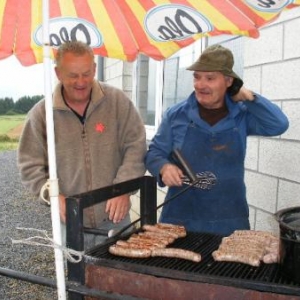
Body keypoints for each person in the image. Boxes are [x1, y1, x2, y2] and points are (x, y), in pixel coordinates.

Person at [145, 44, 289, 236]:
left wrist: (250, 97)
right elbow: (154, 152)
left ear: (228, 81)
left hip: (229, 219)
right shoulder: (176, 115)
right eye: (196, 76)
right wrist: (164, 167)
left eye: (210, 78)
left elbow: (278, 125)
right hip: (179, 218)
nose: (200, 84)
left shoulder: (242, 114)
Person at [17, 41, 146, 249]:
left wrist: (124, 188)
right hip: (71, 224)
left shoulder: (117, 102)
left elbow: (136, 145)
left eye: (86, 73)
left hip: (117, 220)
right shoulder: (42, 115)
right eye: (73, 75)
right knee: (78, 280)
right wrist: (52, 194)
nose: (81, 82)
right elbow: (30, 166)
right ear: (58, 73)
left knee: (124, 279)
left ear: (95, 69)